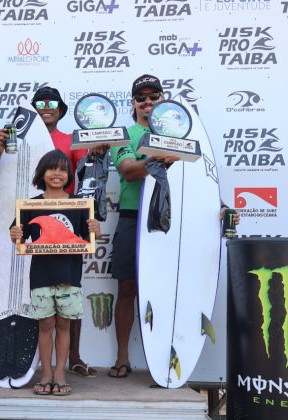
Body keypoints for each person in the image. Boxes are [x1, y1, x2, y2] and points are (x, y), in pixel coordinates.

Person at [0, 86, 99, 377]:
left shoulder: (72, 140)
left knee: (67, 313)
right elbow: (3, 172)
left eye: (53, 101)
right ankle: (43, 370)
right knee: (46, 320)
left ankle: (72, 359)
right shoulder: (18, 138)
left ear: (62, 108)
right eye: (40, 102)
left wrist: (90, 220)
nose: (46, 106)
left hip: (71, 225)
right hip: (32, 216)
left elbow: (85, 178)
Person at [9, 150, 100, 395]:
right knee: (46, 324)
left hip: (70, 276)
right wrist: (15, 234)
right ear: (42, 173)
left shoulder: (79, 203)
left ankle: (60, 372)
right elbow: (17, 234)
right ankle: (46, 372)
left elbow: (89, 237)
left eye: (62, 169)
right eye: (52, 169)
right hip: (41, 275)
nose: (57, 174)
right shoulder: (31, 204)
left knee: (63, 324)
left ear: (69, 174)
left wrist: (95, 229)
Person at [108, 74, 181, 378]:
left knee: (167, 290)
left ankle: (167, 357)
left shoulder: (181, 132)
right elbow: (128, 170)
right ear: (133, 103)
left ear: (163, 99)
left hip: (168, 220)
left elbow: (199, 177)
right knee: (126, 288)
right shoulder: (124, 133)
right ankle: (122, 358)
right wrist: (159, 159)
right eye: (142, 97)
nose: (148, 102)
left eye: (154, 96)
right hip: (132, 217)